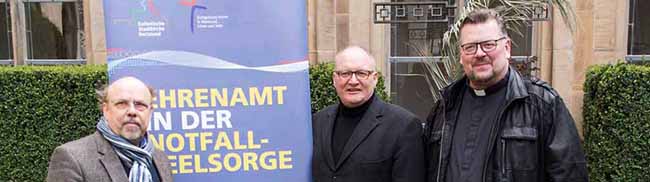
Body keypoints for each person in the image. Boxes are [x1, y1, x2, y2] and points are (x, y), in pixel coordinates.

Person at [424, 8, 588, 182]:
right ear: (461, 55)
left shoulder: (543, 105)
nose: (479, 53)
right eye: (470, 47)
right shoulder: (444, 108)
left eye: (488, 44)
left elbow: (570, 175)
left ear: (507, 47)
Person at [312, 46, 425, 182]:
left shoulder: (404, 126)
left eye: (361, 73)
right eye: (345, 73)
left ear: (375, 78)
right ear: (335, 79)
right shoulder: (318, 121)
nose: (353, 81)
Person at [46, 77, 173, 182]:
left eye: (140, 105)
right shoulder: (72, 158)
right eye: (121, 104)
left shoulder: (160, 159)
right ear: (106, 110)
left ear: (150, 112)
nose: (132, 111)